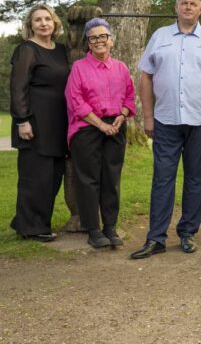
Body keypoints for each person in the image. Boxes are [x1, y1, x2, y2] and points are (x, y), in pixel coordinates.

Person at [130, 0, 201, 259]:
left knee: (196, 179)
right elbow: (146, 78)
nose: (188, 7)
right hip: (165, 120)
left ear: (200, 9)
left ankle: (187, 233)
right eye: (184, 3)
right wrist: (148, 116)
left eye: (193, 4)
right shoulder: (159, 37)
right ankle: (156, 238)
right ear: (177, 8)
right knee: (162, 179)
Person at [65, 18, 136, 249]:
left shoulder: (121, 68)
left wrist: (122, 115)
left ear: (111, 40)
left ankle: (110, 227)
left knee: (111, 179)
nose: (98, 41)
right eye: (93, 37)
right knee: (89, 180)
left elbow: (129, 95)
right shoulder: (79, 68)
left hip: (116, 126)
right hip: (87, 127)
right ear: (88, 42)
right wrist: (100, 125)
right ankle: (93, 229)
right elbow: (76, 101)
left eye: (102, 36)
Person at [10, 3, 70, 242]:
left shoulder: (62, 50)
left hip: (59, 123)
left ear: (55, 23)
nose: (44, 23)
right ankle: (31, 227)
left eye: (47, 19)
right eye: (38, 20)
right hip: (34, 123)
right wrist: (22, 120)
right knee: (35, 176)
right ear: (30, 26)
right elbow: (17, 88)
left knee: (53, 175)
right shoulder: (27, 50)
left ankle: (34, 222)